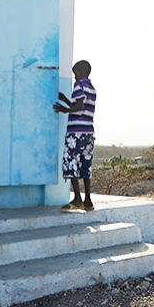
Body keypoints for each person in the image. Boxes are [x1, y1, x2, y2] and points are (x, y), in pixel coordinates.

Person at [53, 60, 96, 210]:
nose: (75, 77)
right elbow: (82, 108)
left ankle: (77, 198)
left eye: (75, 73)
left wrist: (65, 110)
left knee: (70, 162)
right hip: (88, 133)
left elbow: (79, 106)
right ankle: (88, 200)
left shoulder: (79, 85)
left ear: (81, 72)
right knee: (86, 165)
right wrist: (66, 101)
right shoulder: (92, 88)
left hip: (75, 133)